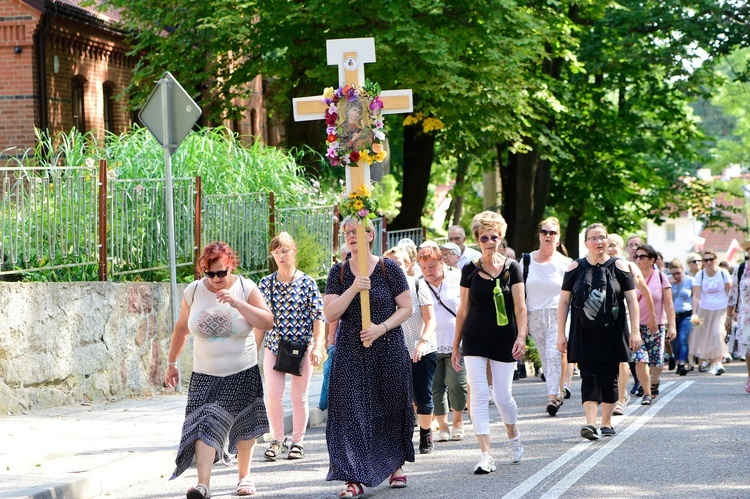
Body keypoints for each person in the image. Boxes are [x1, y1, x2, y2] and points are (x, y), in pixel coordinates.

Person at [165, 242, 274, 498]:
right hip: (204, 374)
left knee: (245, 425)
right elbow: (181, 328)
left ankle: (244, 476)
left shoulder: (246, 287)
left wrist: (237, 303)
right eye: (210, 274)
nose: (216, 279)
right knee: (204, 425)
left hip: (242, 371)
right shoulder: (193, 292)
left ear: (230, 266)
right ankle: (203, 485)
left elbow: (267, 321)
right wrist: (172, 363)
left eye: (221, 273)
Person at [323, 216, 414, 498]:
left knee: (390, 406)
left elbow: (407, 307)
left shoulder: (390, 268)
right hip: (351, 351)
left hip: (387, 347)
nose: (350, 236)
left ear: (370, 236)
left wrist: (381, 328)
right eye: (347, 232)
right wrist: (353, 288)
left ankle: (394, 465)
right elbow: (330, 313)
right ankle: (353, 477)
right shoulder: (337, 273)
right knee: (351, 413)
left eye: (356, 231)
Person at [452, 210, 527, 474]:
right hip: (474, 338)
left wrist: (521, 336)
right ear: (476, 239)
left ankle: (513, 434)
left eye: (493, 236)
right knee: (479, 393)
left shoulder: (512, 268)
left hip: (504, 338)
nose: (489, 242)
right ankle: (486, 454)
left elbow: (520, 307)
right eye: (484, 237)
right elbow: (462, 310)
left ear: (500, 237)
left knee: (502, 396)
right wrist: (455, 345)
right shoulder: (469, 270)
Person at [558, 224, 642, 440]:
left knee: (610, 376)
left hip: (613, 330)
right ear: (585, 242)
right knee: (588, 376)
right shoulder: (575, 267)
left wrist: (635, 331)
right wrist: (561, 334)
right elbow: (564, 302)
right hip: (583, 330)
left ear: (607, 241)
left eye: (602, 238)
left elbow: (632, 300)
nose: (598, 242)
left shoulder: (619, 266)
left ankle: (606, 422)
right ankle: (589, 424)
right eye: (593, 238)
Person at [255, 232, 325, 462]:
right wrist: (253, 349)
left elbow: (318, 316)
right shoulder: (266, 284)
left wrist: (317, 346)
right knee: (273, 396)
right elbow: (260, 320)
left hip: (301, 347)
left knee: (299, 396)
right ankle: (277, 439)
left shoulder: (307, 283)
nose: (281, 256)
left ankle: (297, 441)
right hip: (274, 347)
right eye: (276, 252)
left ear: (293, 251)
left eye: (284, 250)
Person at [384, 246, 438, 454]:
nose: (393, 267)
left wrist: (422, 341)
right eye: (389, 263)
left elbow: (430, 319)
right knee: (398, 397)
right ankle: (401, 439)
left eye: (398, 263)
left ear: (408, 265)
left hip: (421, 348)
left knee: (422, 396)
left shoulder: (417, 285)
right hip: (396, 351)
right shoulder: (382, 289)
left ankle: (425, 433)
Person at [520, 217, 571, 416]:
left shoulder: (566, 263)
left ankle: (552, 397)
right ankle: (557, 391)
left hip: (558, 314)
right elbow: (518, 294)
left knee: (553, 354)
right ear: (539, 236)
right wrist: (522, 324)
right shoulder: (526, 261)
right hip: (534, 315)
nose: (548, 236)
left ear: (558, 238)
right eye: (544, 232)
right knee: (545, 357)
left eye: (552, 233)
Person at [417, 244, 468, 443]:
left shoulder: (456, 278)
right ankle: (443, 426)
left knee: (457, 384)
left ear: (441, 262)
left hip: (457, 342)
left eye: (431, 266)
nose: (428, 272)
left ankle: (458, 422)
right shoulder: (419, 284)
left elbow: (466, 307)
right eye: (424, 268)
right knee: (435, 388)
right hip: (432, 343)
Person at [631, 244, 677, 405]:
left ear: (651, 260)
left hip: (656, 325)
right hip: (636, 327)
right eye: (636, 256)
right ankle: (647, 392)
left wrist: (672, 325)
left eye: (642, 257)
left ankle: (655, 381)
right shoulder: (631, 276)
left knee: (656, 362)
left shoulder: (660, 277)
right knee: (640, 358)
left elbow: (669, 304)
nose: (638, 259)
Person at [690, 249, 731, 375]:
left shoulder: (723, 273)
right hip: (705, 310)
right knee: (706, 338)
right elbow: (696, 296)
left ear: (716, 260)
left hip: (721, 309)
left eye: (711, 259)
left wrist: (732, 312)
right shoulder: (700, 275)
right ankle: (713, 363)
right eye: (705, 260)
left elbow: (730, 293)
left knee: (717, 334)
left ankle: (718, 362)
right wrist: (694, 313)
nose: (708, 262)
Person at [726, 241, 750, 393]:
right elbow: (733, 294)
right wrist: (728, 317)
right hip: (746, 316)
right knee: (749, 348)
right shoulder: (741, 269)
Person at [668, 258, 695, 375]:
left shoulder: (690, 281)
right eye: (673, 273)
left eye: (678, 273)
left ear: (683, 270)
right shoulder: (668, 281)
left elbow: (695, 297)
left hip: (686, 314)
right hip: (673, 315)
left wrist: (695, 313)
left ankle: (682, 363)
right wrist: (670, 283)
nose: (676, 276)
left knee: (683, 339)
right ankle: (677, 359)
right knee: (674, 341)